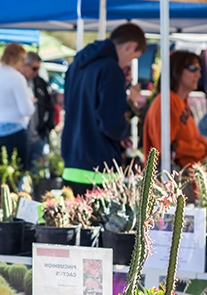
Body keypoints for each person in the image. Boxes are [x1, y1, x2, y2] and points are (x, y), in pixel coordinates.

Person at [61, 23, 146, 195]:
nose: (128, 63)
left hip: (72, 164)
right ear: (131, 46)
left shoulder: (78, 64)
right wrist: (124, 127)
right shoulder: (110, 69)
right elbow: (111, 124)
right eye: (133, 57)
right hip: (100, 170)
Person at [143, 50, 207, 169]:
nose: (198, 75)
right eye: (193, 68)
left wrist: (201, 147)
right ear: (177, 70)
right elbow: (167, 148)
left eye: (199, 70)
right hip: (170, 177)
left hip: (184, 174)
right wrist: (201, 148)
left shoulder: (182, 102)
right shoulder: (165, 101)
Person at [0, 42, 35, 170]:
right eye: (23, 59)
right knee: (18, 175)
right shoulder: (16, 78)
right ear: (16, 58)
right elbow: (26, 110)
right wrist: (31, 102)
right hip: (14, 131)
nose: (23, 63)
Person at [22, 51, 56, 163]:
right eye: (34, 68)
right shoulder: (19, 81)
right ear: (25, 65)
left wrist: (48, 126)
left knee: (37, 170)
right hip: (23, 134)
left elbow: (49, 105)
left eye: (38, 69)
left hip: (38, 134)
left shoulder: (41, 83)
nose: (36, 72)